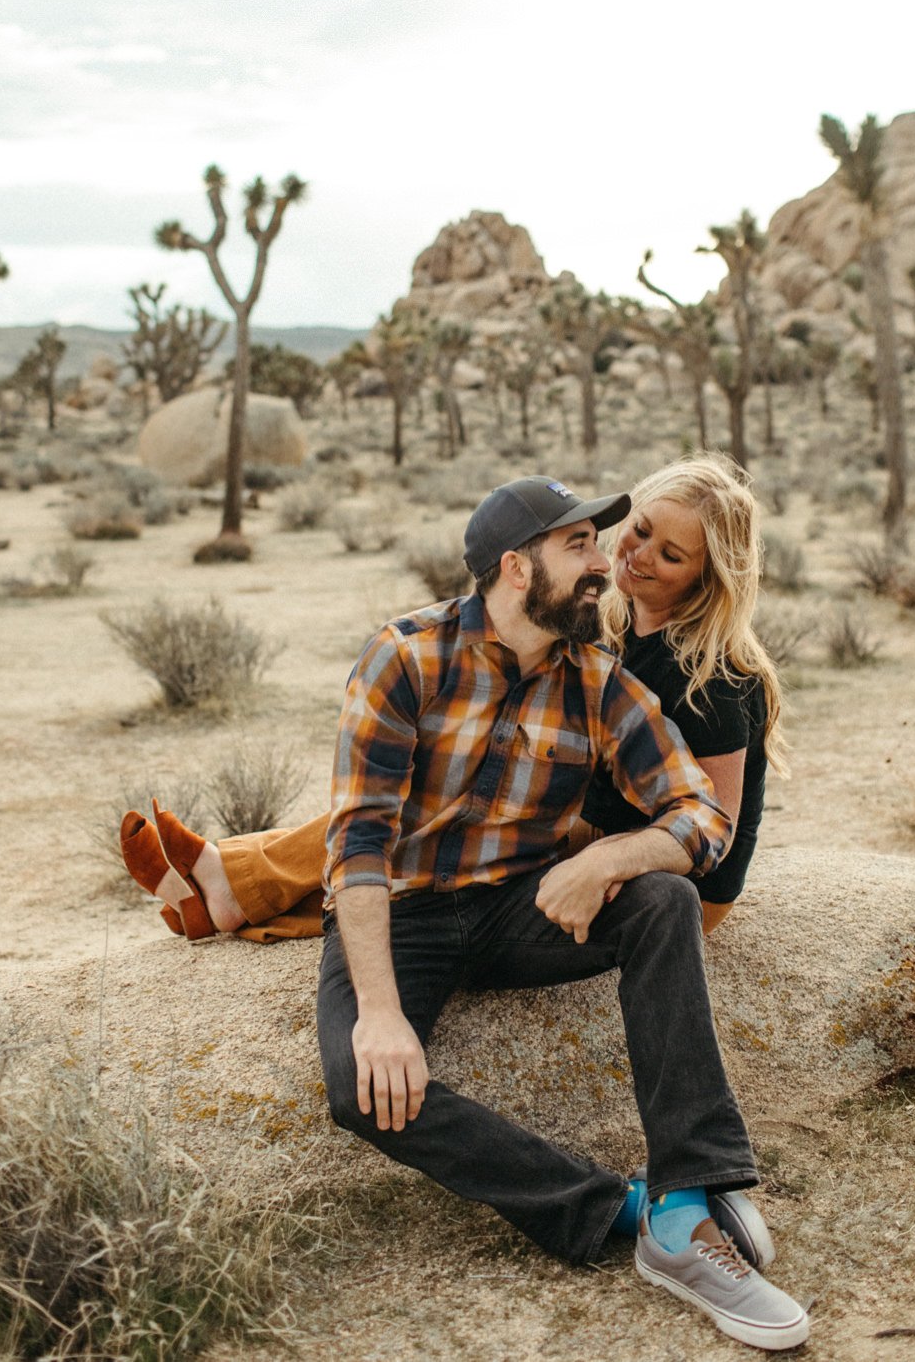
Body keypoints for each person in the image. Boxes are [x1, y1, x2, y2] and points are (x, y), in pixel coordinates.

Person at [136, 473, 808, 1351]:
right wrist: (381, 1012)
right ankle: (619, 1207)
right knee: (360, 1088)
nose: (607, 563)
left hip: (517, 905)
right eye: (581, 545)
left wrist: (609, 856)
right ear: (517, 568)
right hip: (407, 914)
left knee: (661, 896)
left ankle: (687, 1205)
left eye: (607, 542)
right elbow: (358, 847)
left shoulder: (598, 679)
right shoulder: (405, 658)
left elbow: (706, 816)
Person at [122, 453, 786, 942]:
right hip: (586, 830)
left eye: (670, 555)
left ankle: (228, 880)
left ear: (706, 578)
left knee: (445, 840)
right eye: (639, 530)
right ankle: (230, 893)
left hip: (669, 878)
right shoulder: (609, 622)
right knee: (433, 805)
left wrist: (605, 861)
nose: (638, 555)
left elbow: (714, 832)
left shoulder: (716, 679)